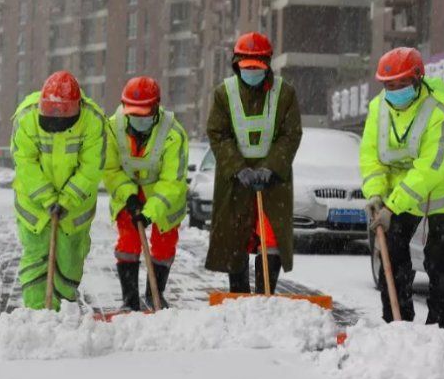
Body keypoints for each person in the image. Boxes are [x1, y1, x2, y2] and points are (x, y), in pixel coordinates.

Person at [360, 47, 444, 328]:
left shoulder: (439, 110)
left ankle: (443, 326)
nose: (394, 90)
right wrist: (375, 192)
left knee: (438, 258)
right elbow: (371, 156)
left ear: (417, 79)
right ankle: (397, 323)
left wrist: (392, 206)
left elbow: (430, 168)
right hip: (399, 193)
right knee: (392, 250)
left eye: (401, 84)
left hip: (441, 190)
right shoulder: (378, 108)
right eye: (389, 85)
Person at [205, 32, 302, 293]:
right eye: (246, 67)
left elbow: (290, 134)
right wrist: (238, 168)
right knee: (235, 239)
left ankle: (264, 295)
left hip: (274, 182)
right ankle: (239, 295)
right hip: (235, 180)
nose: (251, 72)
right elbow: (218, 133)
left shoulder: (285, 94)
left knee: (271, 238)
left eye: (256, 67)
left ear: (268, 64)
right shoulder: (223, 94)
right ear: (236, 64)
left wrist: (271, 167)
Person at [11, 71, 107, 311]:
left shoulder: (93, 120)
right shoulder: (26, 117)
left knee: (70, 260)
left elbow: (92, 168)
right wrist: (47, 198)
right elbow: (25, 163)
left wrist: (66, 200)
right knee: (36, 256)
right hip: (34, 203)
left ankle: (63, 311)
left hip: (75, 207)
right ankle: (36, 312)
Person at [104, 76, 189, 311]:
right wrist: (129, 196)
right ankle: (129, 299)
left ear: (156, 107)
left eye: (145, 114)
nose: (139, 119)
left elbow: (173, 181)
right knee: (128, 244)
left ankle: (155, 294)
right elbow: (110, 169)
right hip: (129, 195)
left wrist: (150, 212)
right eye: (134, 113)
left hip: (164, 199)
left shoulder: (174, 134)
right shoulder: (112, 128)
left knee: (163, 245)